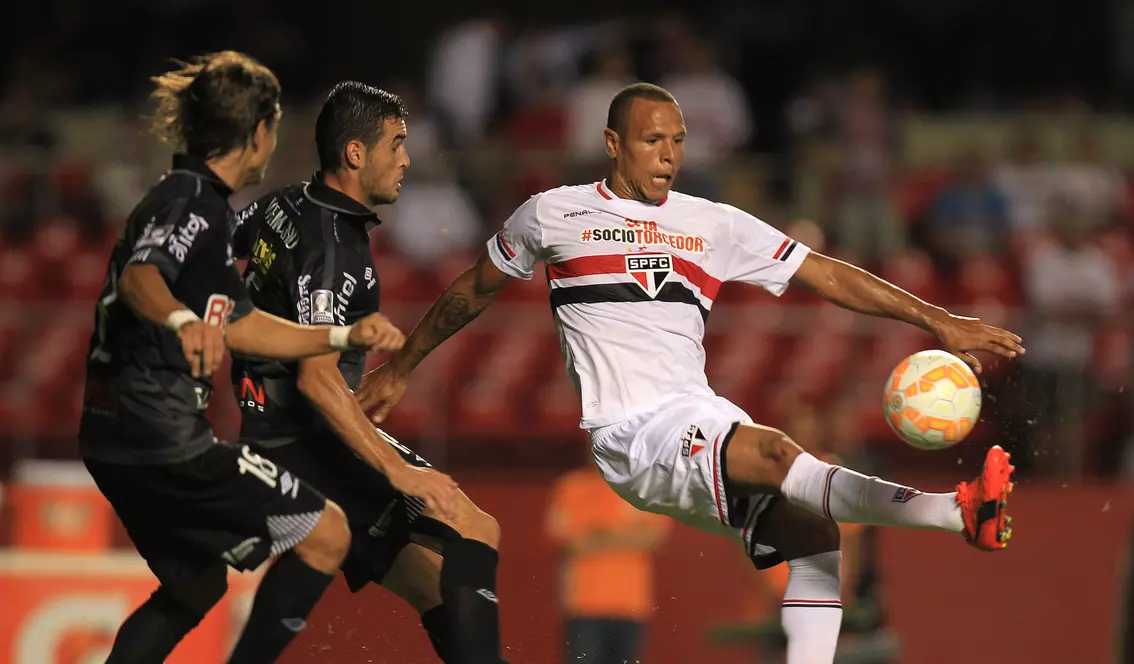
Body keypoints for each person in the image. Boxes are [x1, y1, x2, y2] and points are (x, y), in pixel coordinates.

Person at [356, 82, 1022, 664]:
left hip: (698, 413)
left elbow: (823, 271)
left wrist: (935, 318)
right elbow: (473, 289)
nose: (670, 153)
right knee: (778, 453)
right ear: (614, 143)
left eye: (678, 139)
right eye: (653, 140)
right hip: (629, 433)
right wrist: (401, 367)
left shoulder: (711, 224)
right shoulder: (553, 213)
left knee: (813, 532)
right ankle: (953, 512)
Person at [76, 52, 429, 664]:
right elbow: (141, 279)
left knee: (196, 582)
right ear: (259, 131)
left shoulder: (199, 205)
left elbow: (243, 326)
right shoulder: (191, 202)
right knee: (326, 532)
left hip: (111, 433)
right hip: (159, 434)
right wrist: (183, 320)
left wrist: (341, 339)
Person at [232, 81, 506, 664]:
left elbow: (227, 255)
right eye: (396, 144)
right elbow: (317, 380)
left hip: (271, 430)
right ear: (356, 154)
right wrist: (395, 470)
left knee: (430, 585)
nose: (406, 159)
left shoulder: (282, 204)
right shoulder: (335, 251)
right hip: (310, 439)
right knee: (476, 531)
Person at [545, 439, 670, 664]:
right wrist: (626, 534)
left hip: (631, 605)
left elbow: (652, 537)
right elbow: (569, 540)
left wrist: (599, 533)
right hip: (583, 605)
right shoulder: (571, 487)